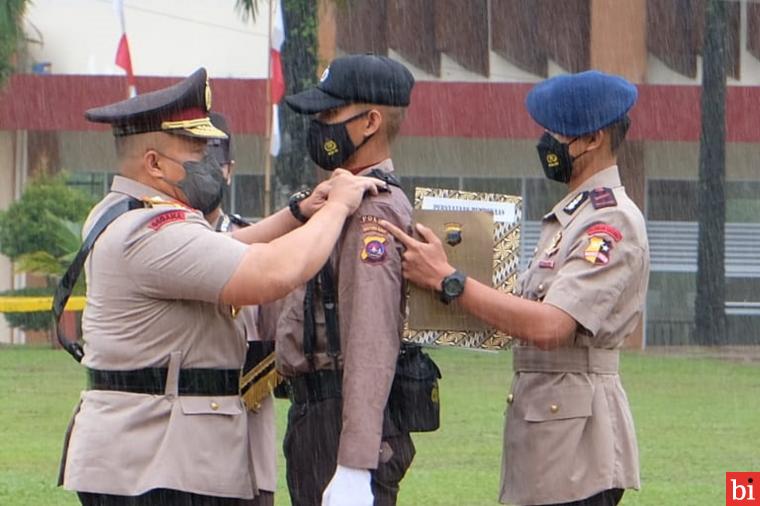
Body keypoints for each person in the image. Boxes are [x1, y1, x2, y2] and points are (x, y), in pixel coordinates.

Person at [57, 67, 385, 506]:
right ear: (153, 162)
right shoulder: (151, 231)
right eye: (194, 149)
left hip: (144, 457)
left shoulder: (122, 210)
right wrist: (339, 205)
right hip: (156, 464)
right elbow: (273, 273)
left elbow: (215, 250)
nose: (210, 159)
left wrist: (299, 214)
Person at [382, 70, 649, 506]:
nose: (545, 142)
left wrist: (450, 281)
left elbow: (551, 327)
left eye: (555, 130)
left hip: (576, 447)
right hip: (550, 430)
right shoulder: (572, 216)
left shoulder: (609, 221)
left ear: (592, 138)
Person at [274, 54, 417, 506]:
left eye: (331, 114)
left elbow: (371, 339)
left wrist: (355, 463)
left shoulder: (369, 210)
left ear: (371, 121)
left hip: (338, 417)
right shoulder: (340, 199)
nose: (319, 124)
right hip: (320, 412)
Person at [204, 112, 277, 506]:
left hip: (245, 448)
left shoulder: (260, 249)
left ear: (229, 170)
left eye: (212, 165)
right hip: (174, 453)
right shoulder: (151, 243)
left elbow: (275, 346)